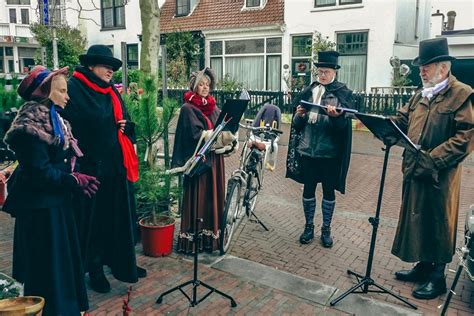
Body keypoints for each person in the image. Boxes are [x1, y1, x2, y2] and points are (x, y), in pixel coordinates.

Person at [2, 65, 99, 314]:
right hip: (40, 210)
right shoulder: (30, 127)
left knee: (61, 264)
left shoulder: (53, 119)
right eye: (62, 91)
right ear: (45, 93)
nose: (68, 96)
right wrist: (74, 181)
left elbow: (59, 164)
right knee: (47, 266)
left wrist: (75, 180)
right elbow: (40, 174)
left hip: (55, 203)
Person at [391, 37, 473, 300]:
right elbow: (402, 119)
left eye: (427, 65)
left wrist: (434, 159)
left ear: (444, 67)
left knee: (439, 220)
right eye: (420, 66)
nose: (421, 70)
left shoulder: (461, 94)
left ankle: (437, 277)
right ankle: (423, 265)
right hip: (415, 168)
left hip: (441, 174)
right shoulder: (419, 94)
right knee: (418, 216)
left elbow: (466, 136)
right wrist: (383, 125)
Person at [62, 45, 145, 294]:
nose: (110, 70)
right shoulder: (75, 89)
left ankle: (122, 262)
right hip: (91, 170)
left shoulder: (111, 92)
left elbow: (127, 123)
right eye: (105, 65)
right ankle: (94, 269)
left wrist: (126, 126)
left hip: (115, 167)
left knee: (119, 218)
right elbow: (71, 129)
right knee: (95, 223)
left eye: (112, 67)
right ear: (90, 66)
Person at [286, 51, 353, 248]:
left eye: (326, 71)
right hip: (308, 150)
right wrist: (299, 115)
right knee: (308, 189)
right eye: (320, 71)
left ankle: (326, 229)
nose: (322, 75)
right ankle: (308, 227)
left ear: (334, 72)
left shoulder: (342, 93)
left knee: (328, 192)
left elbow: (343, 129)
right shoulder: (309, 91)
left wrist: (335, 117)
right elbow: (297, 125)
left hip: (329, 153)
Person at [171, 67, 230, 253]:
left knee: (213, 198)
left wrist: (229, 133)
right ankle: (194, 240)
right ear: (194, 87)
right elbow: (194, 136)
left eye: (207, 84)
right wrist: (215, 136)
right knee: (201, 197)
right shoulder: (188, 108)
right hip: (200, 162)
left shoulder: (213, 106)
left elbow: (222, 127)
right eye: (201, 85)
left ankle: (210, 239)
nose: (205, 88)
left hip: (215, 161)